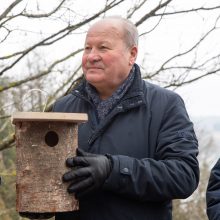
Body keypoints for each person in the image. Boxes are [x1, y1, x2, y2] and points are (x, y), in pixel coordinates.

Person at [20, 16, 199, 220]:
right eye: (88, 48)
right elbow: (55, 178)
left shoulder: (165, 105)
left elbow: (184, 176)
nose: (92, 56)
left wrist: (113, 170)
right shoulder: (63, 107)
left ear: (132, 54)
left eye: (103, 48)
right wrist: (40, 203)